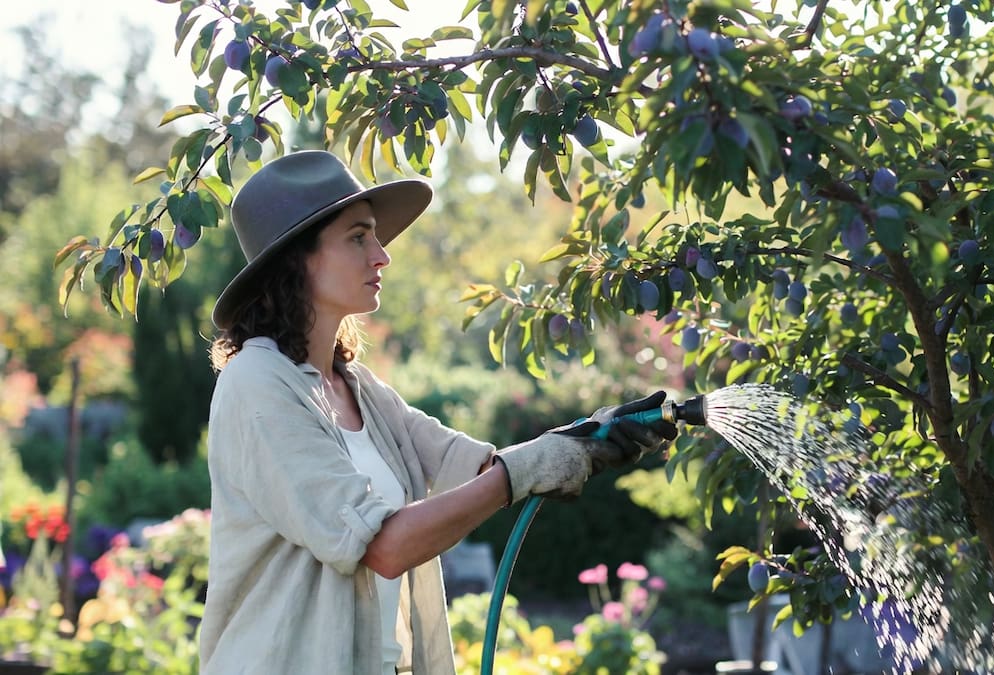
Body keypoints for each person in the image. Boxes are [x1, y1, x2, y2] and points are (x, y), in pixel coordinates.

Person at [198, 150, 677, 675]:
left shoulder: (360, 389)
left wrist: (590, 436)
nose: (381, 256)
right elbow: (381, 546)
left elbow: (473, 467)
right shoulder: (257, 384)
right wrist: (527, 469)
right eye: (358, 237)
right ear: (296, 260)